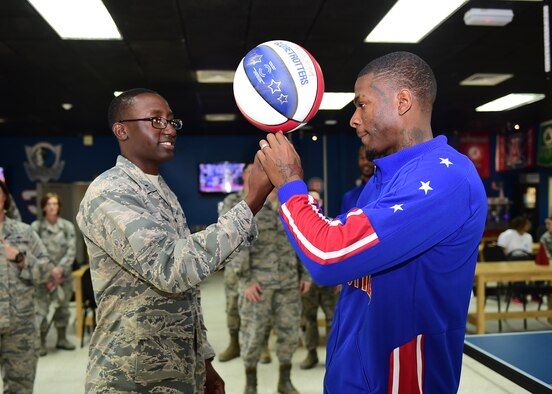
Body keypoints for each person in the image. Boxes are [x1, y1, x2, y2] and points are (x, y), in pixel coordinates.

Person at [257, 51, 487, 393]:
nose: (353, 118)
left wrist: (290, 184)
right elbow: (343, 247)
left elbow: (328, 255)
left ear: (403, 101)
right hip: (354, 368)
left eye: (361, 104)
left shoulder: (444, 177)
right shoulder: (382, 179)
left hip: (398, 378)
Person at [76, 88, 272, 393]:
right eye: (155, 120)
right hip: (133, 375)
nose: (169, 129)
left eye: (171, 121)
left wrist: (203, 363)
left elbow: (187, 293)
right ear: (121, 130)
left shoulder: (162, 192)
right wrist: (252, 202)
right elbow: (170, 269)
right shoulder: (110, 192)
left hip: (179, 370)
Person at [239, 189, 311, 394]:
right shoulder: (251, 206)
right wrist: (246, 280)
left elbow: (301, 242)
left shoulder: (291, 206)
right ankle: (250, 383)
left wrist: (305, 275)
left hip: (288, 284)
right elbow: (237, 246)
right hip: (259, 285)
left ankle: (285, 381)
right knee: (252, 334)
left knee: (289, 333)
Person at [0, 180, 58, 393]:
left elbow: (46, 270)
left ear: (5, 197)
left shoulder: (24, 232)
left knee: (20, 388)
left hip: (21, 326)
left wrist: (21, 259)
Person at [217, 162, 272, 364]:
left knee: (259, 305)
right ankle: (235, 344)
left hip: (259, 264)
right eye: (249, 171)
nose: (252, 173)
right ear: (243, 175)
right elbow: (226, 233)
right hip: (234, 265)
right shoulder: (231, 200)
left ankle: (263, 345)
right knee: (232, 306)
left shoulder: (267, 201)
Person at [31, 192, 77, 356]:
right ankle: (41, 341)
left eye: (55, 204)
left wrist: (60, 269)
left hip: (63, 277)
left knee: (63, 308)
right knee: (42, 310)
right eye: (49, 204)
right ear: (44, 207)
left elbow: (72, 251)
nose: (53, 207)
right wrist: (51, 269)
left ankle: (62, 338)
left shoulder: (67, 227)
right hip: (44, 277)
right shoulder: (36, 228)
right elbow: (34, 252)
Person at [299, 189, 339, 370]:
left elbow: (339, 252)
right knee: (309, 319)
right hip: (308, 283)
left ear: (321, 203)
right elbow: (293, 257)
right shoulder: (299, 228)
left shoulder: (332, 224)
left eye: (316, 201)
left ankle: (333, 356)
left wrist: (340, 278)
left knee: (333, 319)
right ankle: (311, 353)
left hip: (329, 282)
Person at [340, 146, 375, 213]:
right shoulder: (349, 197)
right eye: (362, 158)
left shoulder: (384, 191)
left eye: (369, 158)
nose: (365, 162)